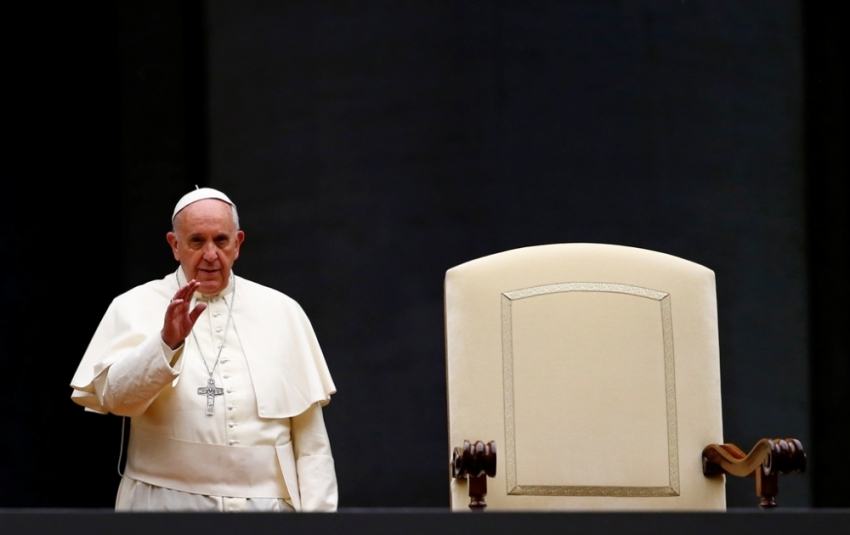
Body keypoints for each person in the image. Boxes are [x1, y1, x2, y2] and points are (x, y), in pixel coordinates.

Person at [70, 188, 337, 512]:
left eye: (221, 241)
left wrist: (321, 524)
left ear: (237, 244)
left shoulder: (283, 311)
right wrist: (166, 344)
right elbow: (116, 400)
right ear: (175, 245)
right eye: (197, 241)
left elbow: (312, 445)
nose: (210, 255)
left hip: (268, 514)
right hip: (165, 507)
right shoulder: (132, 306)